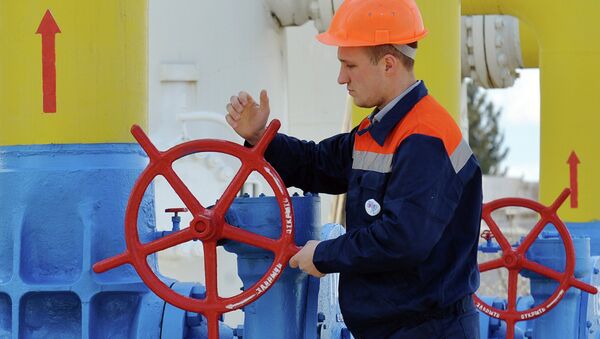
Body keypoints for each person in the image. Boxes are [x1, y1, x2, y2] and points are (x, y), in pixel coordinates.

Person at [225, 0, 482, 337]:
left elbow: (402, 240)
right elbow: (316, 163)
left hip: (427, 329)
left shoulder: (424, 139)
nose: (341, 78)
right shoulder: (378, 131)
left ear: (388, 64)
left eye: (350, 65)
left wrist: (323, 254)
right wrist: (260, 138)